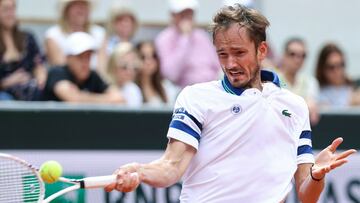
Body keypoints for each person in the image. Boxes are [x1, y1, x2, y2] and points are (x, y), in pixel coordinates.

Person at [105, 4, 356, 203]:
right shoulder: (196, 97)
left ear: (262, 50)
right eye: (222, 54)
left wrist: (315, 176)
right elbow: (171, 168)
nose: (230, 64)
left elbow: (307, 195)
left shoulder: (294, 106)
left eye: (239, 52)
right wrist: (139, 171)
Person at [42, 32, 124, 104]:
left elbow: (118, 98)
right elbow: (72, 98)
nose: (85, 62)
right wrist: (106, 99)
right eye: (80, 57)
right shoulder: (57, 72)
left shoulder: (93, 76)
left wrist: (82, 96)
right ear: (68, 58)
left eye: (88, 57)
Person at [155, 0, 221, 88]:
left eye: (190, 13)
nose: (187, 18)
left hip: (212, 87)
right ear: (173, 15)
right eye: (182, 14)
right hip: (185, 91)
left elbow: (217, 65)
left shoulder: (201, 36)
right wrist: (185, 38)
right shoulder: (164, 39)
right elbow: (171, 74)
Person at [0, 0, 47, 101]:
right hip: (5, 93)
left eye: (13, 9)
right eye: (5, 9)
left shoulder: (27, 37)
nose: (10, 13)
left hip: (30, 89)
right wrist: (8, 82)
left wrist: (41, 79)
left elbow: (39, 63)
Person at [44, 0, 106, 72]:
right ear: (66, 10)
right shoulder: (53, 35)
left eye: (84, 5)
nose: (81, 9)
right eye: (76, 5)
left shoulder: (99, 33)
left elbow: (102, 69)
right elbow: (60, 68)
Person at [278, 38, 320, 125]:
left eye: (303, 55)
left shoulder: (310, 82)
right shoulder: (272, 79)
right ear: (284, 56)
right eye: (292, 54)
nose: (298, 59)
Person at [136, 41, 180, 107]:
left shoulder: (166, 86)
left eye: (153, 56)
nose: (148, 61)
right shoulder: (131, 88)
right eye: (143, 57)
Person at [105, 42, 143, 107]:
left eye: (134, 67)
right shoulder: (102, 86)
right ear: (113, 67)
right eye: (124, 67)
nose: (130, 71)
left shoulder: (133, 89)